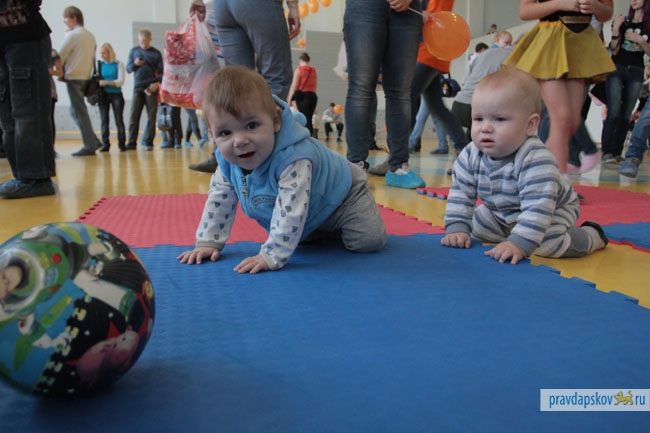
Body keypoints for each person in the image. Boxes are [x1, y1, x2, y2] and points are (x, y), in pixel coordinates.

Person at [177, 66, 387, 273]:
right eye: (225, 132)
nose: (239, 141)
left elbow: (291, 207)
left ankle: (334, 225)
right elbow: (219, 199)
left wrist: (271, 255)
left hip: (345, 196)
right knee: (301, 238)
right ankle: (321, 228)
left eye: (251, 126)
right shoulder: (227, 162)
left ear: (275, 121)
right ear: (212, 134)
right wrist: (208, 242)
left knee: (367, 241)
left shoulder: (293, 157)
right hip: (312, 206)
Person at [441, 68, 608, 264]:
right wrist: (458, 227)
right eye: (478, 119)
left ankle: (591, 235)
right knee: (475, 227)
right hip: (501, 211)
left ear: (530, 125)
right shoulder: (471, 154)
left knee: (546, 244)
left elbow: (538, 206)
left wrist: (518, 244)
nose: (485, 127)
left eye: (499, 119)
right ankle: (515, 231)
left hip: (552, 209)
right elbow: (461, 192)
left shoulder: (535, 157)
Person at [187, 0, 301, 173]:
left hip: (222, 6)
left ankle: (223, 160)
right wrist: (293, 8)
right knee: (276, 77)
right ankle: (267, 158)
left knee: (235, 83)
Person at [504, 0, 615, 175]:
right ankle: (556, 178)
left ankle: (544, 173)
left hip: (579, 43)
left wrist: (595, 7)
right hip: (550, 40)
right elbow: (525, 11)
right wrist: (560, 4)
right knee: (561, 118)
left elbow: (607, 12)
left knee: (571, 120)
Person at [344, 0, 424, 189]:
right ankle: (355, 165)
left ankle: (398, 165)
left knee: (401, 91)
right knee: (361, 87)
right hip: (364, 6)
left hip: (409, 9)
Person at [0, 0, 56, 199]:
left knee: (27, 111)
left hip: (24, 38)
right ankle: (22, 177)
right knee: (7, 117)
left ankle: (36, 179)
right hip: (7, 41)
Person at [408, 0, 468, 178]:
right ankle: (463, 152)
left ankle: (397, 155)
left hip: (429, 53)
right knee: (437, 107)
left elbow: (430, 18)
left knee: (404, 98)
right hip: (429, 52)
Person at [601, 0, 650, 163]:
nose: (633, 0)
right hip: (617, 67)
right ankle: (606, 152)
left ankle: (616, 152)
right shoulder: (623, 21)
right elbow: (614, 49)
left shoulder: (648, 25)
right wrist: (616, 28)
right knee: (613, 111)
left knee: (626, 113)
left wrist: (641, 41)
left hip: (637, 70)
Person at [451, 33, 514, 143]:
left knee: (473, 139)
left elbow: (465, 80)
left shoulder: (482, 55)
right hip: (477, 108)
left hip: (459, 104)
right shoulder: (511, 55)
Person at [58, 6, 102, 157]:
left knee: (79, 112)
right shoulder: (90, 35)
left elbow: (60, 56)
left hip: (73, 76)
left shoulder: (72, 35)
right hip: (85, 76)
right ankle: (93, 140)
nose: (65, 22)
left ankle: (90, 145)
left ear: (74, 17)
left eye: (66, 18)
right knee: (75, 111)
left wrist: (66, 35)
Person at [125, 29, 163, 151]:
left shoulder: (156, 53)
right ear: (139, 39)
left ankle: (149, 142)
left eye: (146, 42)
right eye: (142, 42)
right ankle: (131, 142)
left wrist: (157, 83)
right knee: (134, 115)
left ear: (150, 39)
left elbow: (162, 72)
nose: (144, 44)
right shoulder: (134, 51)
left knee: (151, 115)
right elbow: (128, 69)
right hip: (138, 87)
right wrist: (135, 64)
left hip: (151, 87)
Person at [97, 43, 126, 152]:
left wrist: (106, 82)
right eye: (101, 53)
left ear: (109, 52)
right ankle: (105, 144)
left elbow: (120, 81)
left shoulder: (118, 64)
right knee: (104, 120)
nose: (102, 55)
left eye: (104, 53)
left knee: (119, 119)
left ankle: (122, 144)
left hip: (116, 95)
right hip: (103, 95)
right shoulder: (99, 65)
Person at [288, 52, 318, 135]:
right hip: (313, 96)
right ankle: (310, 136)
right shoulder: (313, 70)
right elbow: (315, 85)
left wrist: (290, 98)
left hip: (303, 96)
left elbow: (294, 85)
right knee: (310, 118)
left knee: (304, 118)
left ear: (300, 60)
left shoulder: (299, 69)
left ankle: (304, 136)